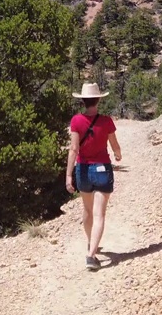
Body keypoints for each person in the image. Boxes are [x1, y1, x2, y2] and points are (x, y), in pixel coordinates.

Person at [65, 81, 122, 271]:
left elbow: (74, 149)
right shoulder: (106, 121)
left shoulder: (76, 121)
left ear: (82, 101)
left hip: (82, 169)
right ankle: (91, 256)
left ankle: (92, 244)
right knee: (99, 214)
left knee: (88, 211)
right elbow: (114, 144)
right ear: (98, 100)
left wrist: (68, 176)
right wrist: (118, 154)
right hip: (102, 169)